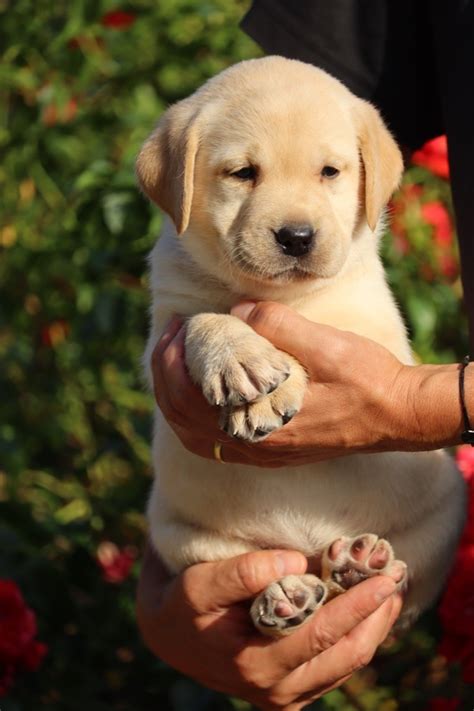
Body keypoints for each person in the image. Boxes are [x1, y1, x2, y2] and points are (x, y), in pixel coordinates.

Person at [137, 1, 474, 707]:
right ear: (179, 180)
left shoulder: (350, 250)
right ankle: (286, 592)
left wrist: (423, 407)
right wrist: (211, 334)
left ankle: (358, 579)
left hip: (403, 531)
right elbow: (169, 375)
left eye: (327, 171)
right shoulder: (187, 259)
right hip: (227, 546)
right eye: (244, 173)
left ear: (367, 175)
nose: (295, 220)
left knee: (441, 505)